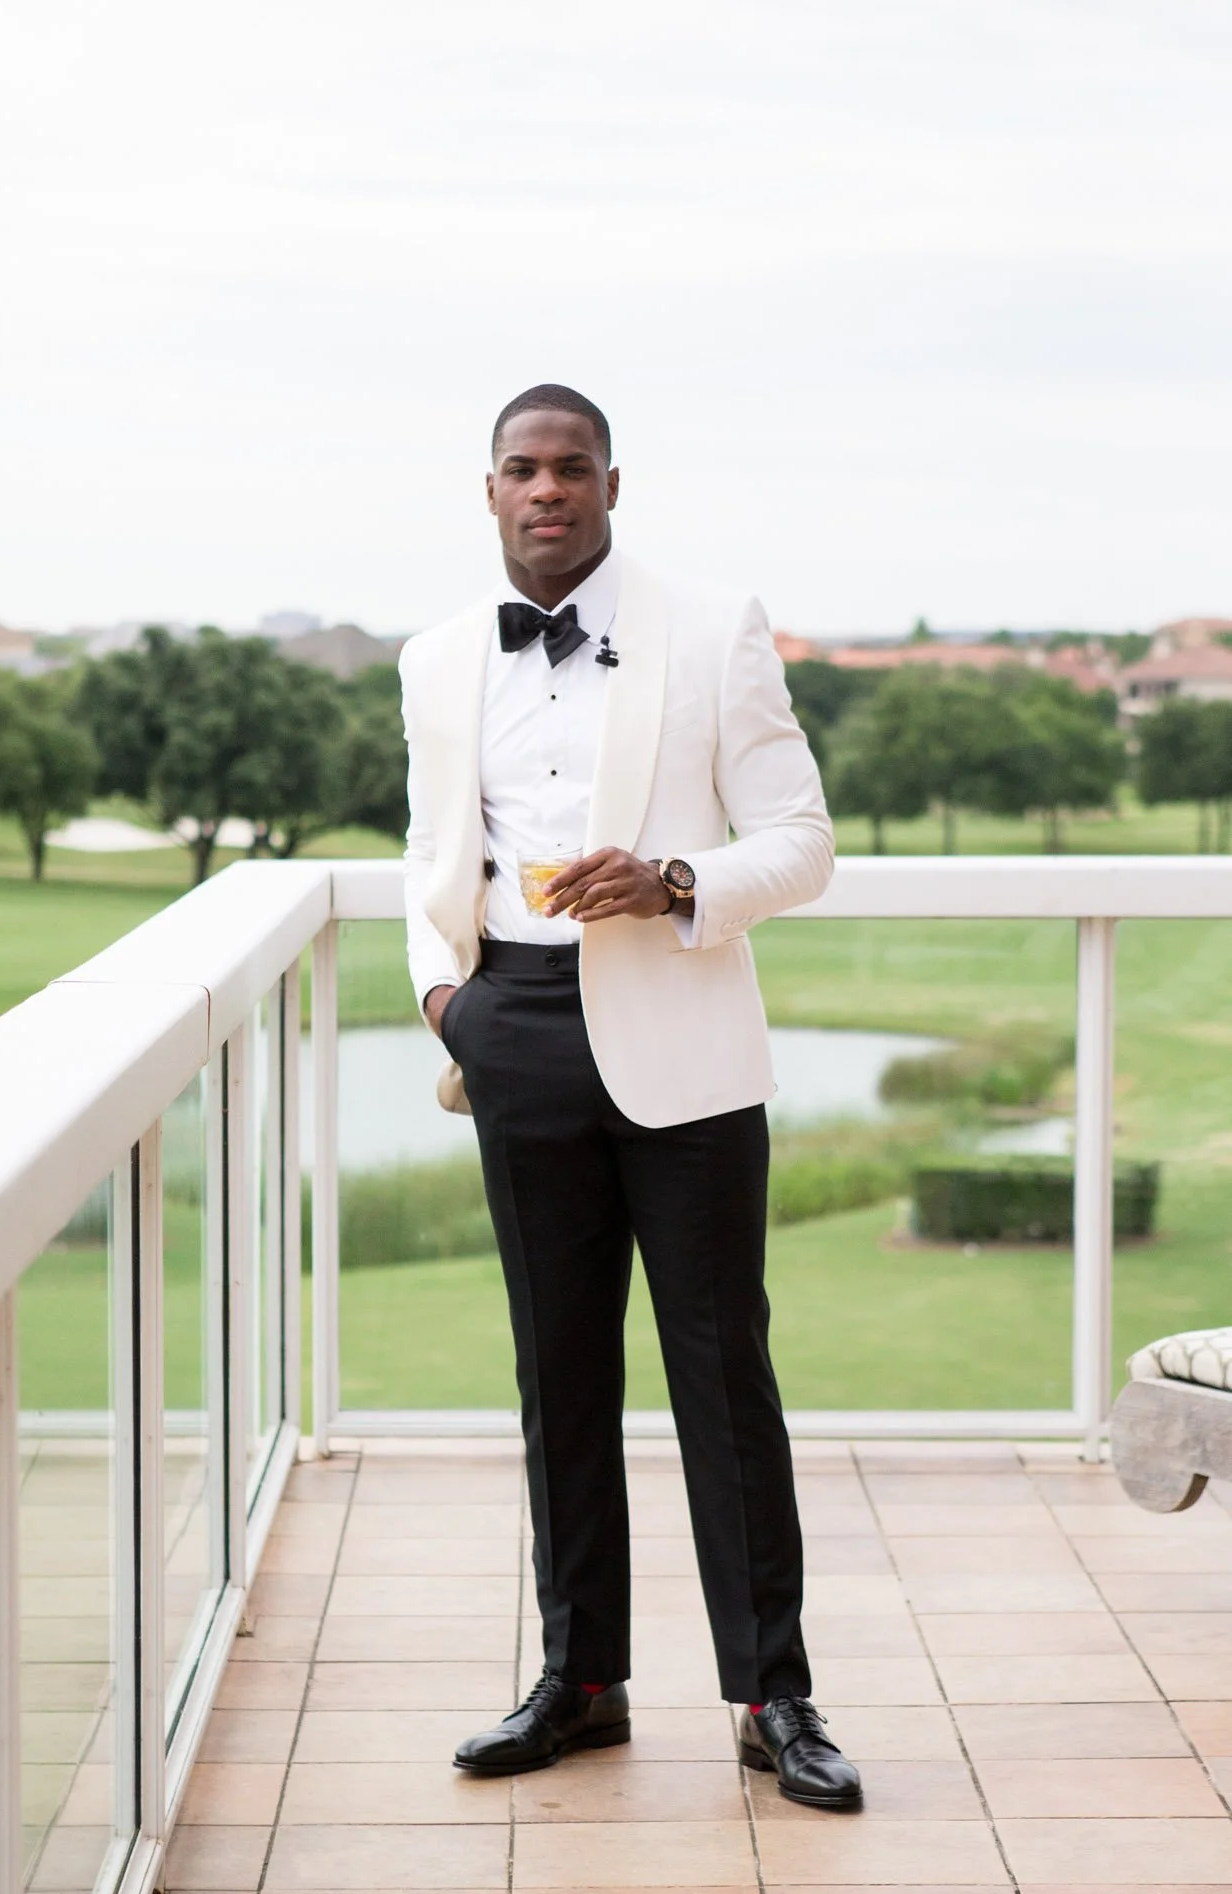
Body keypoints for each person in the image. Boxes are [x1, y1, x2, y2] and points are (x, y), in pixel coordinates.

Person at [399, 383, 861, 1810]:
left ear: (613, 483)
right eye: (524, 471)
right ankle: (581, 1680)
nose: (549, 491)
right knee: (559, 1373)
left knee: (724, 1374)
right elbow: (433, 852)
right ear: (489, 491)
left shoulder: (714, 628)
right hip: (514, 1025)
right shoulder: (431, 658)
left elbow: (804, 842)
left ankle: (772, 1695)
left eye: (574, 469)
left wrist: (674, 883)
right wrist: (446, 996)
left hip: (681, 1028)